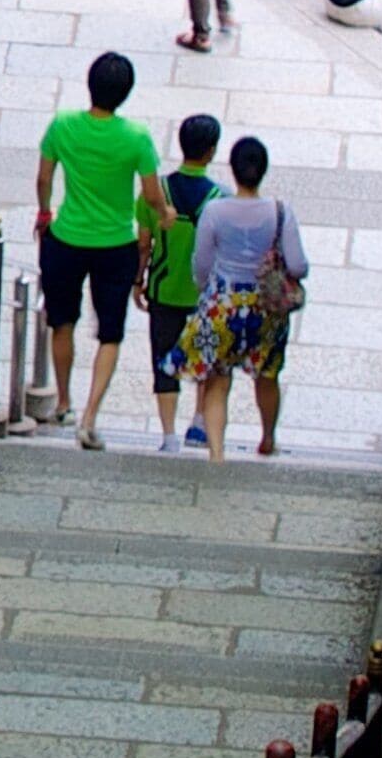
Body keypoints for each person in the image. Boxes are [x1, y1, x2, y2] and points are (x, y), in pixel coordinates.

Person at [34, 50, 160, 449]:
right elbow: (153, 194)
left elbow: (44, 177)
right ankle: (89, 416)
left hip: (66, 237)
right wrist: (165, 215)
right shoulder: (136, 138)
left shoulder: (63, 125)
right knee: (110, 332)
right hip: (115, 244)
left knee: (62, 321)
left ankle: (64, 400)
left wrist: (44, 213)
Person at [183, 139, 310, 459]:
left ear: (233, 170)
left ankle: (216, 451)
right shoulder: (280, 212)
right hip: (266, 309)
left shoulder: (214, 210)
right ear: (263, 170)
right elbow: (298, 265)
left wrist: (206, 292)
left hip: (223, 303)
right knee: (267, 376)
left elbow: (201, 262)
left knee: (217, 378)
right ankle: (267, 438)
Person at [144, 115, 225, 447]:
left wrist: (138, 282)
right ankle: (199, 423)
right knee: (205, 359)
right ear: (211, 151)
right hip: (203, 295)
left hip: (162, 289)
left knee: (163, 362)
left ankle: (168, 435)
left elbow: (143, 243)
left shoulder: (157, 191)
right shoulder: (220, 198)